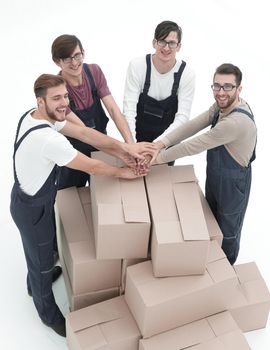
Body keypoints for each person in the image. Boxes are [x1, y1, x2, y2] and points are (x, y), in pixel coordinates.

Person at [10, 74, 154, 337]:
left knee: (37, 251)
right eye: (56, 98)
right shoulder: (48, 139)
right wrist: (123, 173)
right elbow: (93, 166)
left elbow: (87, 134)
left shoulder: (36, 116)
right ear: (40, 101)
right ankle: (48, 313)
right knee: (42, 260)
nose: (64, 102)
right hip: (32, 209)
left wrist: (125, 150)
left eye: (65, 96)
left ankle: (35, 281)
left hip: (28, 198)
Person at [152, 63, 257, 265]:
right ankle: (207, 266)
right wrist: (161, 143)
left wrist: (158, 159)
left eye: (227, 86)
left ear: (239, 89)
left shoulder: (235, 122)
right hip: (217, 175)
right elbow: (194, 124)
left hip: (233, 184)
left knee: (228, 232)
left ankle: (225, 270)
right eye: (216, 86)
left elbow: (194, 145)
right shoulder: (221, 106)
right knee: (210, 221)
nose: (220, 92)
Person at [51, 34, 134, 189]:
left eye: (77, 55)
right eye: (67, 59)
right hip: (74, 153)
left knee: (104, 193)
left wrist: (131, 146)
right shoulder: (58, 91)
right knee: (71, 197)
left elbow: (113, 110)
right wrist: (121, 151)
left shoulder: (94, 72)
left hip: (101, 142)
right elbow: (84, 133)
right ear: (57, 62)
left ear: (83, 52)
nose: (75, 63)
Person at [123, 20, 195, 144]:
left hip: (167, 143)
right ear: (154, 43)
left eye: (172, 43)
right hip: (137, 139)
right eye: (162, 41)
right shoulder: (137, 66)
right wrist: (132, 145)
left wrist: (157, 146)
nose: (166, 48)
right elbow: (129, 110)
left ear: (178, 47)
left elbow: (182, 117)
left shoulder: (187, 74)